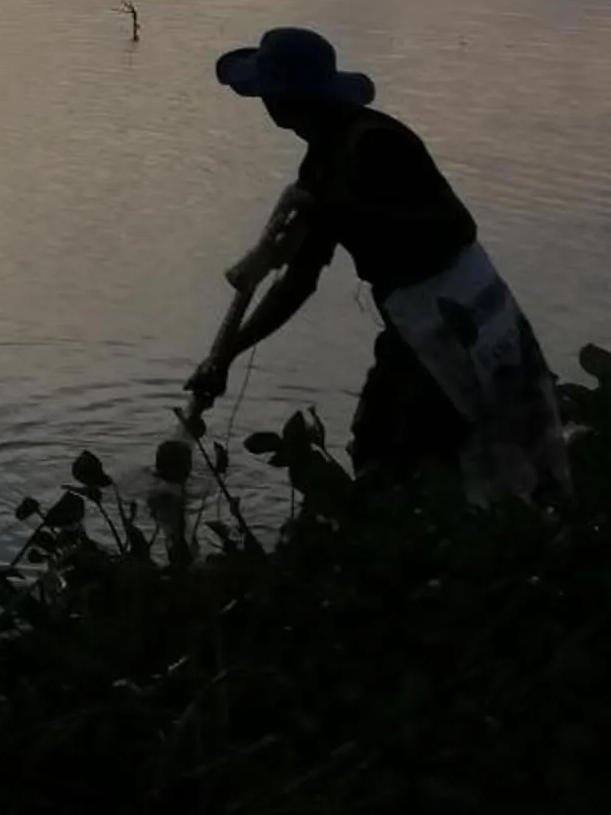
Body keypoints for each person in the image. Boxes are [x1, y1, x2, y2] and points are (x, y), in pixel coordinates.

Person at [189, 27, 567, 500]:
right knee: (399, 445)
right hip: (410, 327)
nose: (263, 104)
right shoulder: (321, 164)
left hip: (455, 319)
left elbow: (452, 227)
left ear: (283, 100)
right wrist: (226, 355)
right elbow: (298, 282)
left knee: (403, 452)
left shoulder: (374, 142)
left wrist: (332, 210)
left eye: (266, 93)